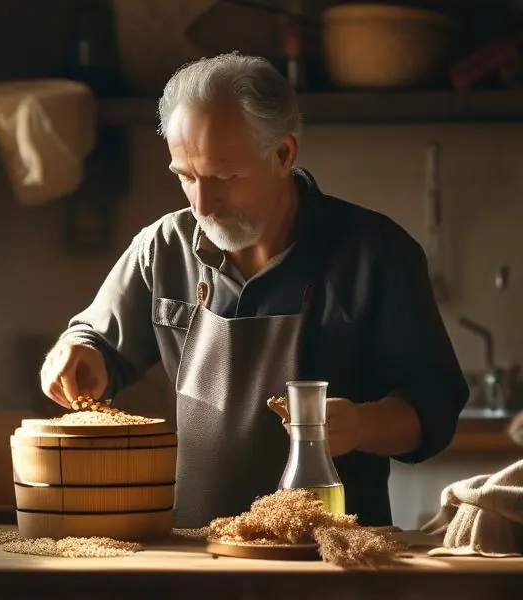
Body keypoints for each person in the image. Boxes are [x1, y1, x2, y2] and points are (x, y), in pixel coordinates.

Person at [39, 52, 469, 528]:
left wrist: (363, 425)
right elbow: (97, 343)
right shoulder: (163, 247)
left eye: (224, 177)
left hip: (332, 550)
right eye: (186, 177)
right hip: (194, 549)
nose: (203, 204)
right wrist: (76, 354)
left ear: (283, 154)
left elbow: (434, 408)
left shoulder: (376, 254)